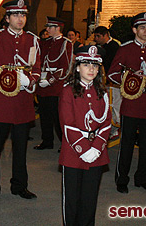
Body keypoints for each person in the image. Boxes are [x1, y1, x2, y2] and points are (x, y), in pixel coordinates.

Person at [0, 0, 41, 202]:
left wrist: (29, 81)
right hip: (0, 103)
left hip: (22, 104)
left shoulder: (32, 40)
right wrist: (1, 81)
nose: (20, 19)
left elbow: (37, 69)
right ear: (7, 18)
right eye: (15, 15)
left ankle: (19, 185)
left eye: (23, 15)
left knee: (21, 149)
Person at [108, 12, 146, 193]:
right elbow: (112, 73)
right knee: (126, 145)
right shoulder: (125, 49)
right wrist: (130, 78)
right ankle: (122, 180)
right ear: (134, 29)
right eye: (142, 28)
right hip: (132, 104)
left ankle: (142, 178)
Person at [59, 45, 111, 226]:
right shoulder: (67, 91)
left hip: (97, 152)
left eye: (95, 66)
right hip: (74, 152)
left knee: (90, 198)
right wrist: (83, 148)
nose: (91, 69)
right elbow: (67, 124)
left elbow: (106, 122)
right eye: (87, 65)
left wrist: (96, 148)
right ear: (78, 67)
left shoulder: (102, 92)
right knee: (72, 199)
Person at [35, 17, 73, 150]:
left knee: (58, 117)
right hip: (43, 84)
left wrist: (51, 80)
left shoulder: (65, 43)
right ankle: (47, 141)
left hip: (55, 86)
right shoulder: (45, 42)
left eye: (50, 27)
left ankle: (65, 144)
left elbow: (65, 67)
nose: (47, 29)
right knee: (44, 115)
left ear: (57, 28)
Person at [93, 26, 121, 138]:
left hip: (112, 83)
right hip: (100, 81)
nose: (96, 39)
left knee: (113, 107)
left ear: (106, 35)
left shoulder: (114, 46)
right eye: (95, 36)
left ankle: (114, 129)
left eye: (98, 36)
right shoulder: (97, 46)